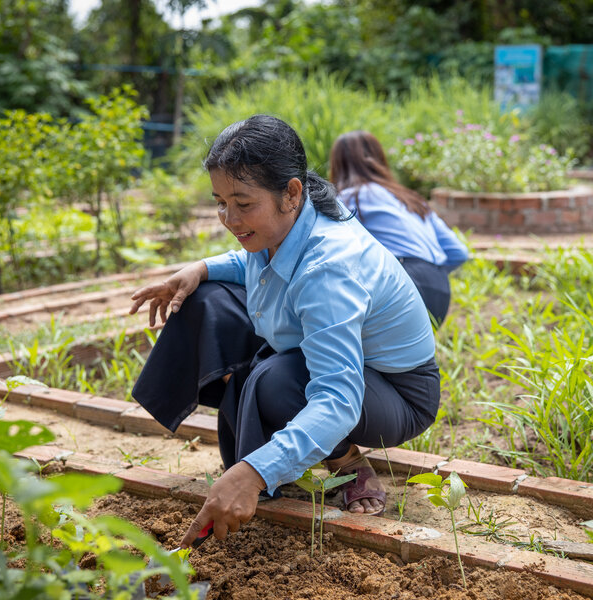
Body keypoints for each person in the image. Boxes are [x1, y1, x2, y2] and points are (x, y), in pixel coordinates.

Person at [128, 115, 440, 548]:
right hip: (339, 365)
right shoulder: (282, 226)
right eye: (220, 202)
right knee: (205, 297)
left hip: (396, 392)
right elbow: (248, 263)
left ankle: (346, 461)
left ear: (291, 193)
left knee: (275, 381)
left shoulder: (329, 267)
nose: (229, 219)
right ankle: (280, 433)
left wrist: (254, 473)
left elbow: (338, 398)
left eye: (243, 203)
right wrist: (198, 269)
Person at [329, 130, 470, 324]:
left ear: (338, 165)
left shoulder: (347, 199)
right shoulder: (411, 198)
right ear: (379, 159)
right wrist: (427, 274)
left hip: (402, 283)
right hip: (439, 290)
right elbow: (459, 252)